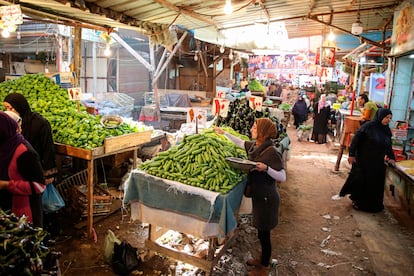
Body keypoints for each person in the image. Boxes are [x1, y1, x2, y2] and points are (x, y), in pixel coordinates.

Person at [215, 118, 286, 276]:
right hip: (260, 196)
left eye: (255, 127)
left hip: (268, 198)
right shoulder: (256, 146)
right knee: (261, 231)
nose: (252, 129)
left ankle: (264, 268)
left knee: (265, 233)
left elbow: (282, 176)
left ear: (262, 132)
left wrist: (266, 168)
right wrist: (224, 133)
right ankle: (261, 260)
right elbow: (241, 143)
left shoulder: (272, 152)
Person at [3, 93, 58, 234]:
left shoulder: (40, 124)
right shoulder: (8, 142)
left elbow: (48, 148)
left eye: (10, 107)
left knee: (43, 207)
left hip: (35, 169)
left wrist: (48, 172)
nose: (8, 110)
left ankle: (51, 229)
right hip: (24, 179)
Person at [339, 108, 396, 213]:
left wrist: (392, 157)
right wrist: (351, 154)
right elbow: (356, 140)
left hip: (377, 163)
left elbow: (388, 146)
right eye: (386, 117)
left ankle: (373, 206)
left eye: (390, 118)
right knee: (362, 182)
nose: (388, 120)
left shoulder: (386, 131)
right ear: (380, 116)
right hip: (363, 160)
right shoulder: (368, 127)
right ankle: (359, 203)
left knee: (375, 184)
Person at [0, 112, 46, 227]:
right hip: (6, 209)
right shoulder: (4, 149)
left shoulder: (25, 153)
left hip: (24, 212)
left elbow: (40, 186)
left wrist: (6, 185)